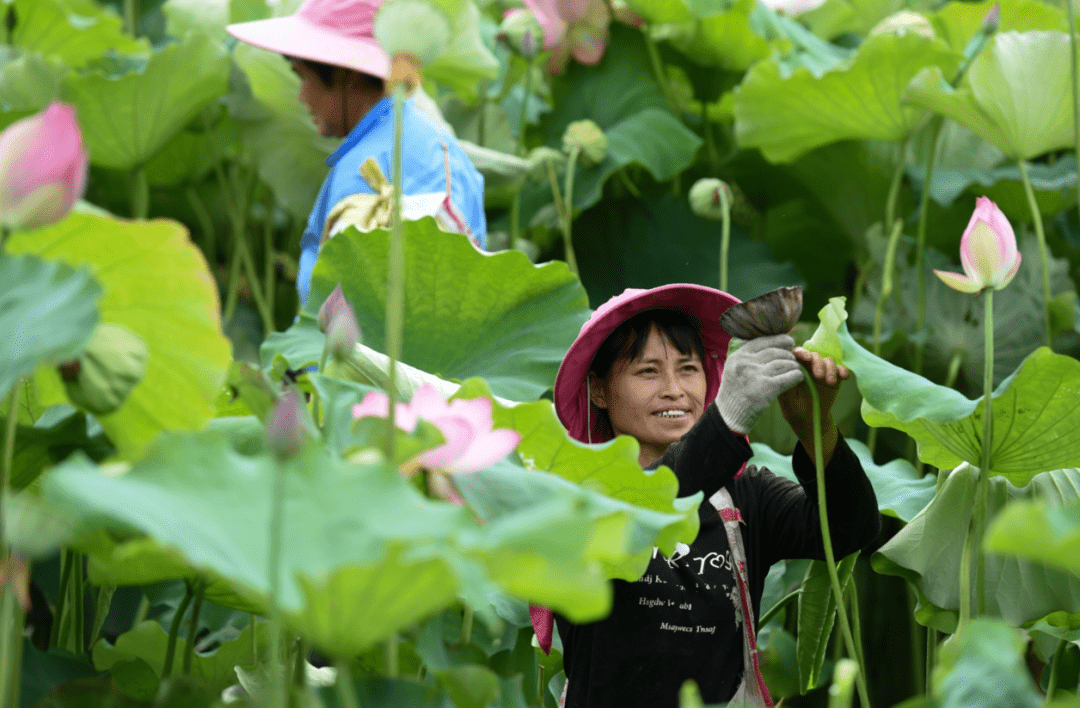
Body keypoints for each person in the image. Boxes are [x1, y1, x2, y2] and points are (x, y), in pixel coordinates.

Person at [534, 283, 881, 707]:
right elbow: (648, 505)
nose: (674, 390)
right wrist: (729, 416)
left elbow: (851, 527)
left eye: (688, 368)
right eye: (648, 371)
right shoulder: (574, 498)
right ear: (599, 390)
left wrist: (814, 427)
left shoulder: (746, 495)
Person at [226, 0, 488, 308]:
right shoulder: (433, 144)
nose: (300, 95)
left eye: (303, 77)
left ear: (347, 75)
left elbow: (361, 319)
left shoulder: (367, 170)